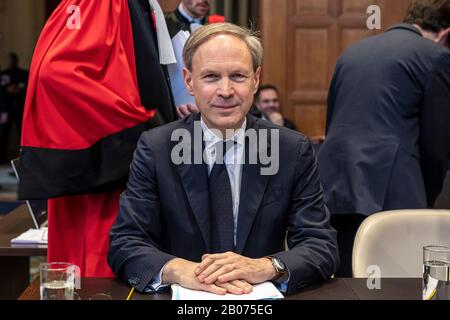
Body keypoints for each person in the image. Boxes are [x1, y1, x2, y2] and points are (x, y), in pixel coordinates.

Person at [108, 23, 339, 295]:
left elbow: (320, 244)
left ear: (256, 79)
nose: (226, 90)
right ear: (189, 81)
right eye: (211, 77)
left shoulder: (290, 149)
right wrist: (180, 270)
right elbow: (125, 242)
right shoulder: (157, 148)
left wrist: (265, 266)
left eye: (238, 76)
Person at [18, 0, 176, 277]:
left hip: (117, 162)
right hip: (106, 174)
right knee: (98, 275)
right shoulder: (102, 2)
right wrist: (143, 124)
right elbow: (57, 73)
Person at [318, 0, 450, 277]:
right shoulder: (435, 56)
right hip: (392, 188)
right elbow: (437, 144)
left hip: (334, 182)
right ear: (445, 34)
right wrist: (429, 195)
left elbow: (333, 120)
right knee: (398, 281)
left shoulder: (352, 52)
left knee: (344, 277)